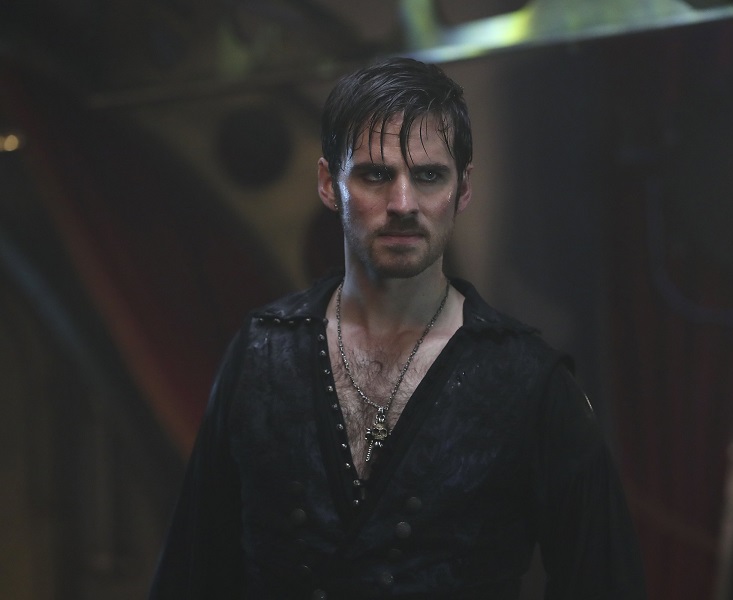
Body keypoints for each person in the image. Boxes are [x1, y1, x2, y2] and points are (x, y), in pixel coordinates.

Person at [149, 57, 645, 599]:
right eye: (376, 175)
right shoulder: (263, 353)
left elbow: (605, 584)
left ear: (463, 189)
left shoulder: (528, 381)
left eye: (429, 175)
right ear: (328, 184)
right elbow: (191, 575)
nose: (403, 204)